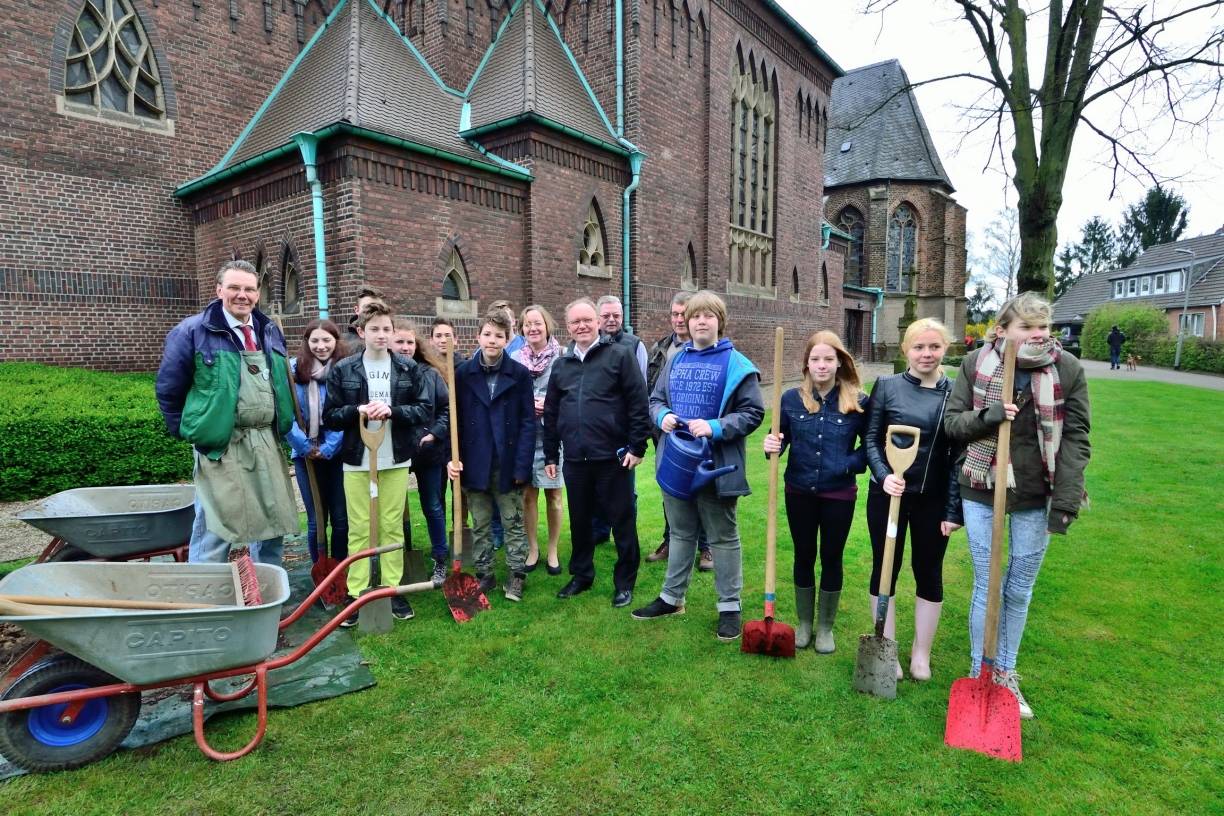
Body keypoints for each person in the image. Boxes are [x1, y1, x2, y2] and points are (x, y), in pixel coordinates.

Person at [944, 293, 1091, 719]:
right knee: (987, 583)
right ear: (1002, 329)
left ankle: (1005, 672)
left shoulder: (1066, 368)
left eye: (1043, 326)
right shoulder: (975, 365)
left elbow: (1077, 438)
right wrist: (989, 416)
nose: (1039, 334)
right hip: (981, 486)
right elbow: (953, 424)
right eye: (1027, 326)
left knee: (1018, 587)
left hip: (1034, 492)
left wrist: (1065, 501)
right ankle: (980, 671)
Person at [632, 291, 764, 642]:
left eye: (708, 316)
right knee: (680, 532)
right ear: (686, 323)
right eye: (694, 317)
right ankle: (671, 598)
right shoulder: (676, 360)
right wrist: (664, 416)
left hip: (715, 465)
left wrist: (716, 426)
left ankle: (729, 607)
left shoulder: (737, 364)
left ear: (720, 321)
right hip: (676, 462)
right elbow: (655, 400)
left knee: (722, 537)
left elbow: (753, 413)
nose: (701, 322)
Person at [156, 259, 298, 567]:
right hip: (222, 444)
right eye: (234, 287)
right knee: (217, 525)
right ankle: (206, 599)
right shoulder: (192, 332)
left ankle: (266, 593)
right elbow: (169, 390)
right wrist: (197, 431)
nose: (242, 295)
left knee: (273, 521)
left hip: (265, 440)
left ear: (258, 294)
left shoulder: (269, 331)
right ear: (219, 290)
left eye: (249, 289)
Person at [863, 318, 963, 680]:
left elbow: (957, 455)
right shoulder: (887, 387)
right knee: (884, 567)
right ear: (906, 350)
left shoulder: (955, 394)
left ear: (945, 349)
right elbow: (871, 439)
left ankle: (921, 654)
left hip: (932, 498)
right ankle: (885, 648)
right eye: (919, 347)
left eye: (934, 347)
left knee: (928, 571)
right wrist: (883, 474)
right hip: (888, 496)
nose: (926, 354)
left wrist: (953, 509)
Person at [324, 300, 431, 626]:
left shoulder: (408, 369)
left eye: (387, 329)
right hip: (357, 459)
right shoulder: (344, 369)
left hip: (395, 458)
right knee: (359, 527)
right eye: (375, 329)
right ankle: (357, 594)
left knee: (390, 525)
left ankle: (391, 589)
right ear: (361, 332)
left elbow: (423, 410)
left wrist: (393, 411)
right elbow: (331, 416)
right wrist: (356, 411)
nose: (382, 335)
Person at [762, 330, 868, 653]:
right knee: (804, 554)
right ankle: (804, 624)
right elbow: (777, 441)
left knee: (832, 557)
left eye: (828, 359)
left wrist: (846, 464)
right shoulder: (790, 400)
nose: (822, 365)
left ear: (839, 363)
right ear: (806, 364)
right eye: (815, 359)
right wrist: (770, 446)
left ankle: (825, 628)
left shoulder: (858, 402)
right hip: (799, 491)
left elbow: (870, 448)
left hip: (839, 494)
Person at [543, 297, 650, 607]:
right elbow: (551, 413)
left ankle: (624, 582)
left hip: (613, 458)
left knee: (622, 521)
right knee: (580, 521)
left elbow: (638, 403)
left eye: (587, 320)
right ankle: (582, 575)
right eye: (576, 322)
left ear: (598, 322)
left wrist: (637, 446)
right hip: (575, 459)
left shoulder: (620, 356)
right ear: (568, 327)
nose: (582, 326)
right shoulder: (561, 365)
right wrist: (551, 455)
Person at [447, 310, 536, 601]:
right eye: (487, 334)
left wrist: (522, 466)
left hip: (506, 461)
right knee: (481, 521)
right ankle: (485, 573)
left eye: (499, 336)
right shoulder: (463, 374)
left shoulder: (519, 374)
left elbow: (526, 422)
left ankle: (516, 573)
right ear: (478, 337)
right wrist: (454, 457)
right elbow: (456, 420)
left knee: (512, 520)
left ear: (507, 339)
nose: (492, 340)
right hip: (474, 461)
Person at [644, 291, 712, 571]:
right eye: (674, 313)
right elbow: (651, 391)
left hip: (699, 435)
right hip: (666, 433)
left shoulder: (708, 349)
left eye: (684, 313)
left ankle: (706, 547)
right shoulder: (661, 348)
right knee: (669, 488)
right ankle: (671, 539)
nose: (679, 319)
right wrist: (658, 419)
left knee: (702, 490)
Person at [285, 319, 350, 565]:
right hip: (305, 454)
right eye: (315, 340)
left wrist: (329, 447)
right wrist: (305, 446)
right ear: (306, 342)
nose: (320, 346)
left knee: (341, 519)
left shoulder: (344, 370)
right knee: (316, 520)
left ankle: (339, 568)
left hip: (338, 454)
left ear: (336, 342)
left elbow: (346, 411)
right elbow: (285, 414)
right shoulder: (292, 371)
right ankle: (319, 568)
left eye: (326, 340)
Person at [393, 319, 451, 586]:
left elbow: (445, 409)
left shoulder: (430, 373)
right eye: (400, 341)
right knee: (394, 509)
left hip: (428, 448)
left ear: (417, 345)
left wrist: (434, 433)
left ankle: (440, 558)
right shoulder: (384, 374)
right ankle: (400, 556)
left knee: (433, 505)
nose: (405, 347)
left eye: (409, 342)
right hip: (394, 450)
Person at [512, 304, 565, 575]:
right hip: (526, 435)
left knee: (554, 494)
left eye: (537, 323)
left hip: (553, 435)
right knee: (528, 494)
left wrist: (550, 404)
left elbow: (570, 393)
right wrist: (525, 405)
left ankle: (553, 549)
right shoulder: (515, 360)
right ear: (521, 329)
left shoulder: (562, 357)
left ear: (547, 326)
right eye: (527, 324)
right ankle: (533, 549)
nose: (533, 328)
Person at [591, 295, 648, 547]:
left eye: (616, 315)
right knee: (596, 487)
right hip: (596, 431)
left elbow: (641, 392)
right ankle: (599, 530)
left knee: (625, 489)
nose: (612, 320)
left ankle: (625, 536)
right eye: (606, 316)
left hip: (623, 430)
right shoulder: (587, 344)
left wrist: (637, 436)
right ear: (598, 318)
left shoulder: (635, 345)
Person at [343, 287, 385, 352]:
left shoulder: (394, 337)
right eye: (367, 307)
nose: (373, 312)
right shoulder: (343, 343)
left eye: (378, 308)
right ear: (357, 310)